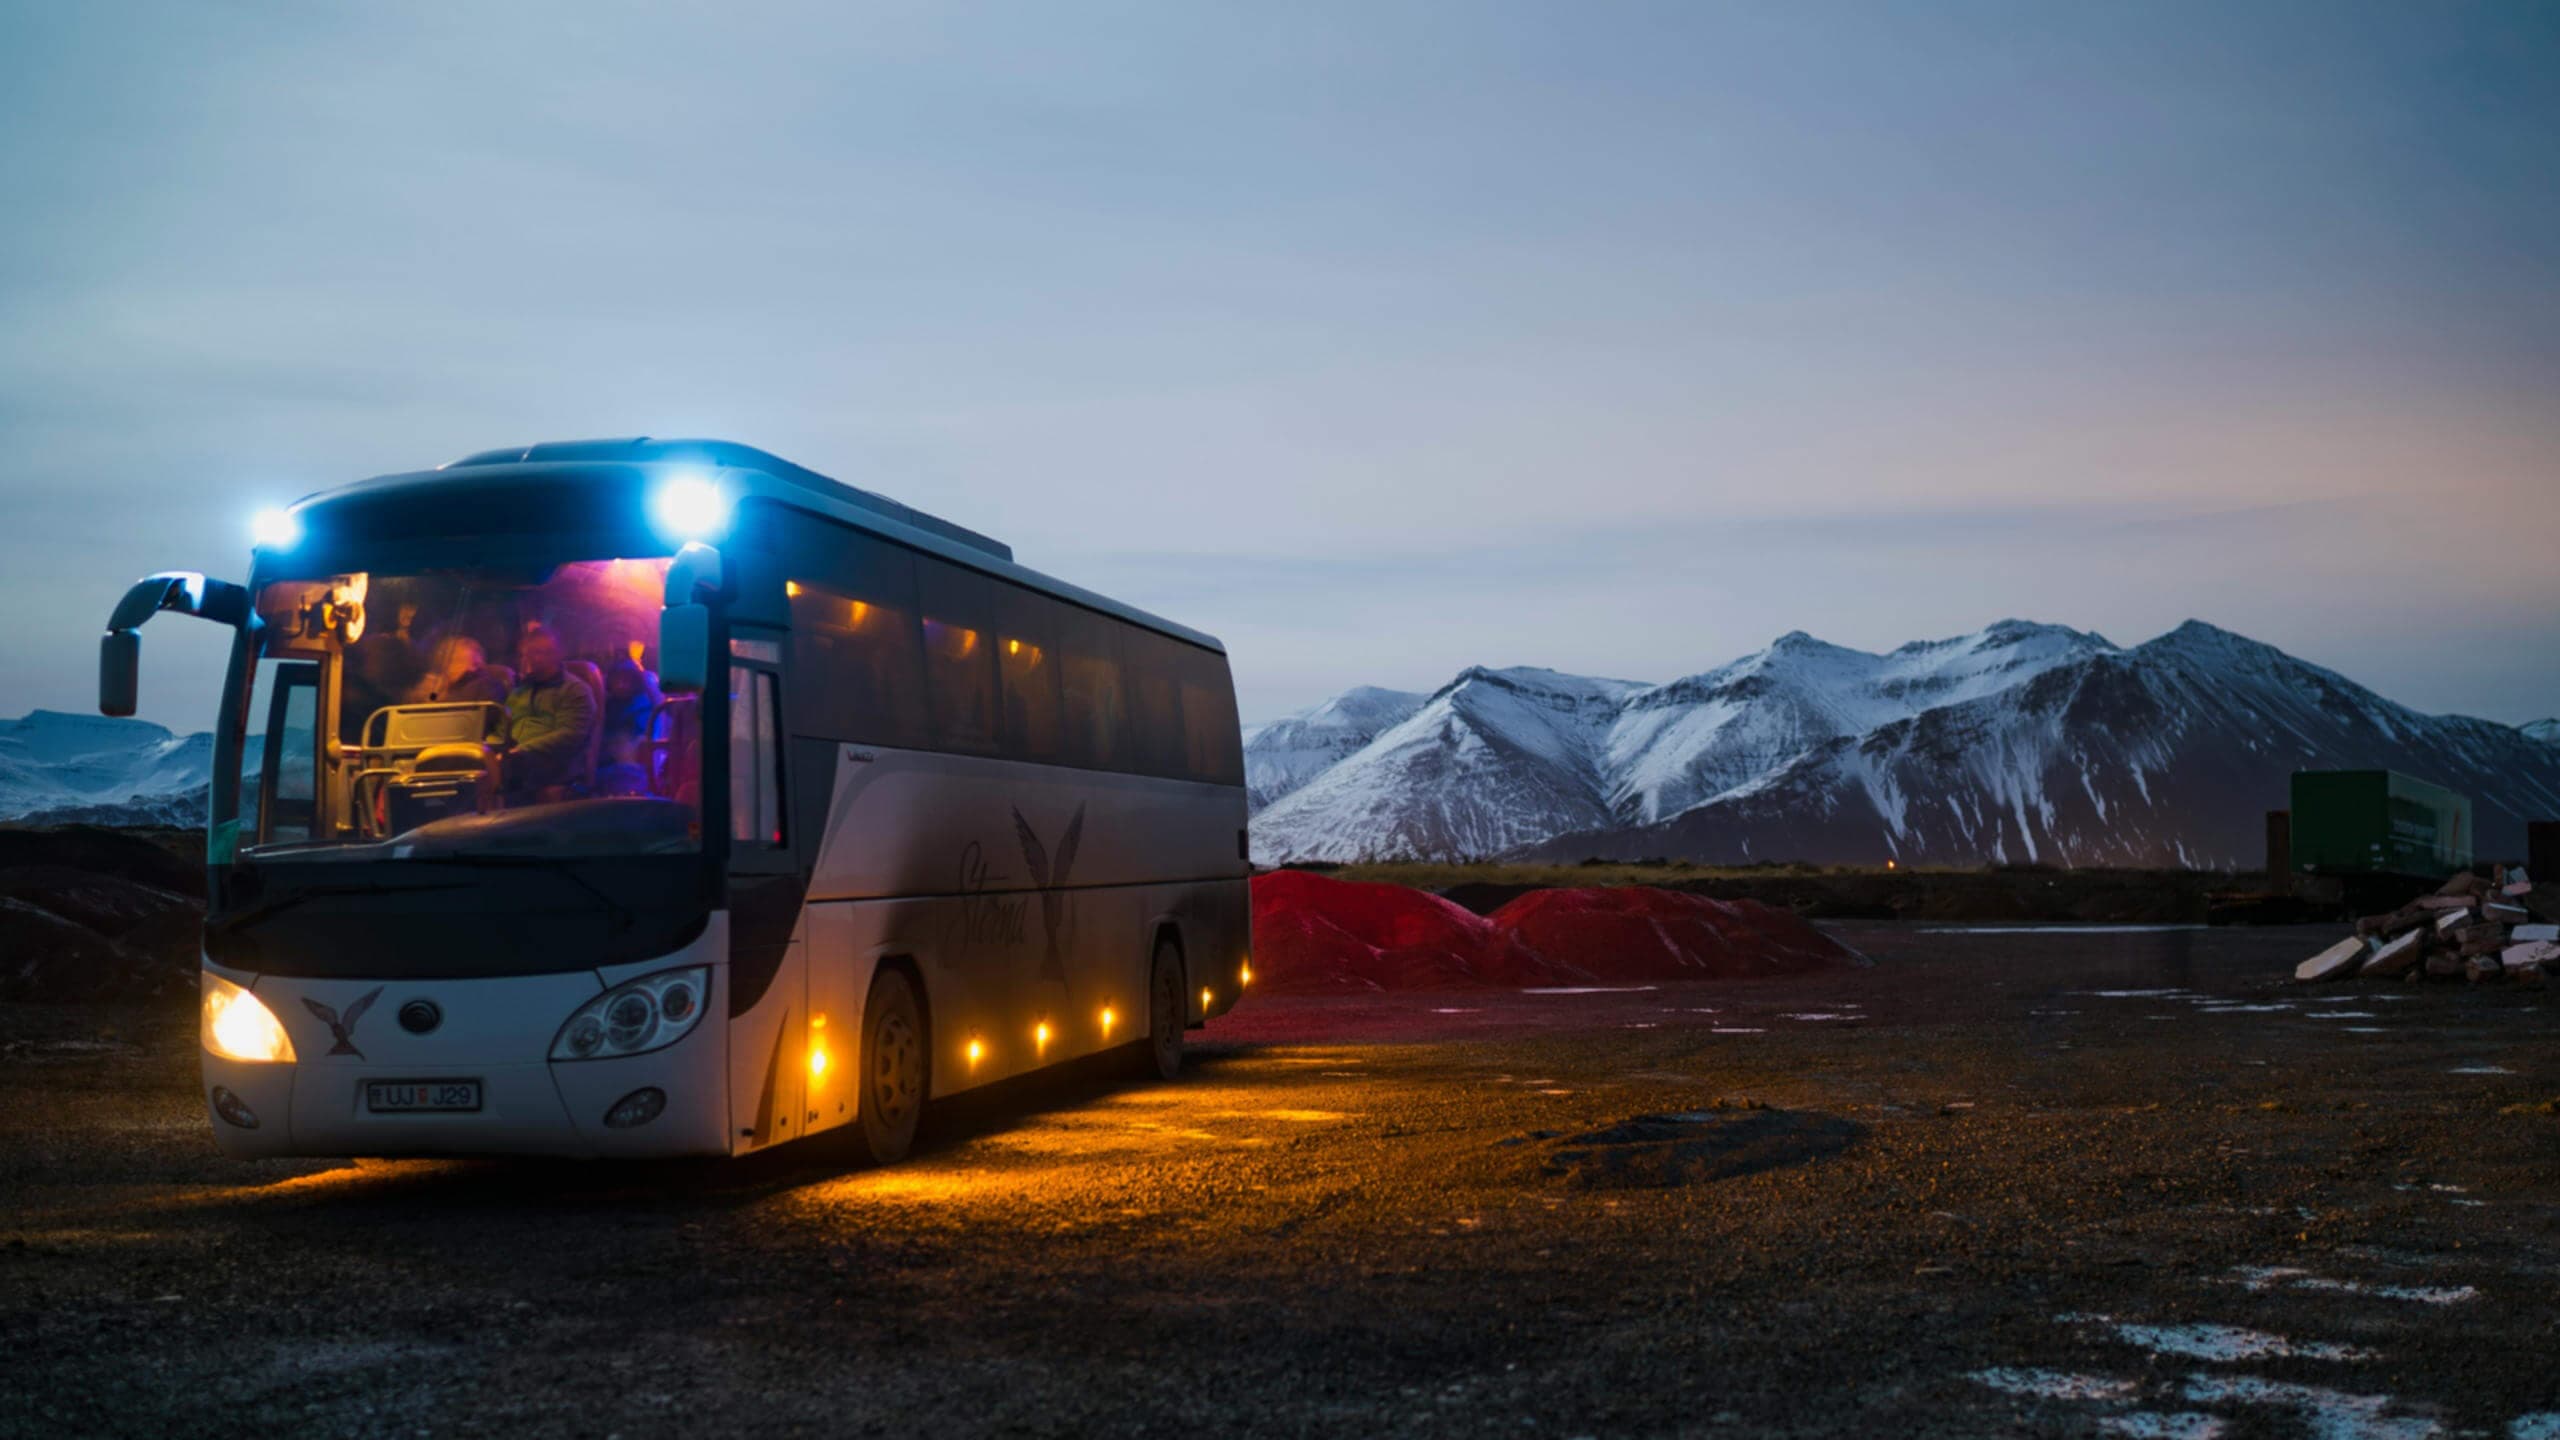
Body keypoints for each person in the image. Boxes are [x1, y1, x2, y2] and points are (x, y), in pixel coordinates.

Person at [502, 627, 597, 801]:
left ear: (555, 655)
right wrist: (488, 749)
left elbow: (570, 735)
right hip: (516, 768)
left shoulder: (575, 690)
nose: (529, 659)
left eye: (536, 653)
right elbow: (502, 728)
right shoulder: (519, 691)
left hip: (554, 769)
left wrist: (521, 751)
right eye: (526, 654)